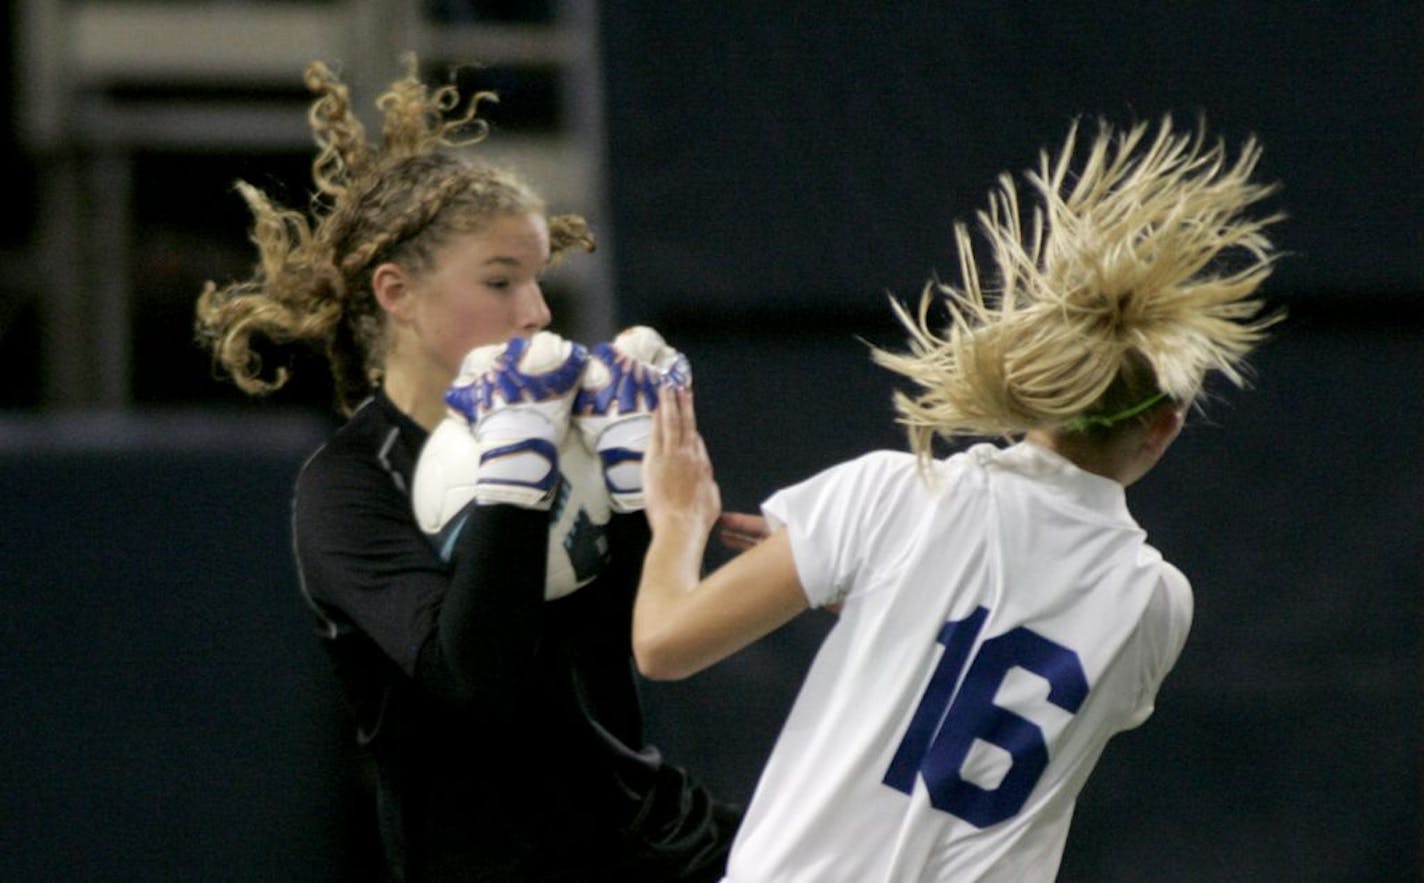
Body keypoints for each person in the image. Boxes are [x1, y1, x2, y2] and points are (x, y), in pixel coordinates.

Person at [633, 116, 1281, 881]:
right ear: (1164, 426)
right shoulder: (1157, 604)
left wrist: (677, 521)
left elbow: (664, 644)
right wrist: (893, 598)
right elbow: (991, 677)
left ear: (1029, 380)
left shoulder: (902, 493)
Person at [194, 57, 738, 882]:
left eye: (538, 279)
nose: (538, 311)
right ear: (397, 292)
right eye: (500, 281)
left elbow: (633, 645)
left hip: (669, 849)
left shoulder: (568, 419)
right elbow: (471, 679)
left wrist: (644, 489)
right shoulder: (347, 486)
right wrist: (516, 473)